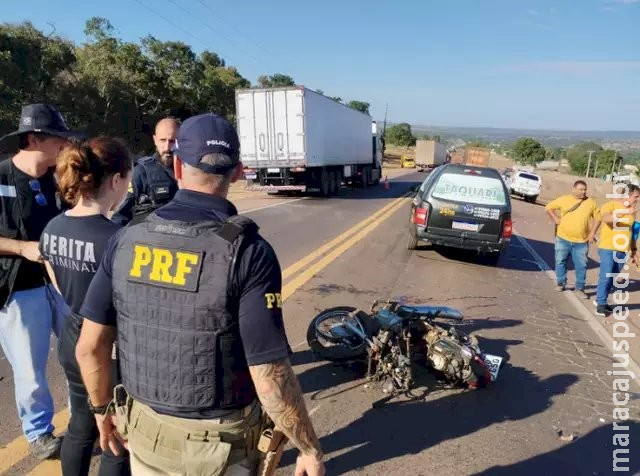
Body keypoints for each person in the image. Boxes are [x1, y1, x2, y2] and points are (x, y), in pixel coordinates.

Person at [75, 113, 325, 476]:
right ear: (237, 171)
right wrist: (309, 448)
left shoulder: (126, 238)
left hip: (145, 437)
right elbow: (269, 373)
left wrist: (101, 413)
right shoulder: (249, 252)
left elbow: (90, 347)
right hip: (218, 453)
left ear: (177, 165)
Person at [39, 137, 133, 475]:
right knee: (117, 436)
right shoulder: (118, 238)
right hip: (108, 346)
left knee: (81, 423)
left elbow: (57, 284)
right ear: (116, 179)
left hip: (72, 335)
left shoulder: (52, 228)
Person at [0, 103, 83, 458]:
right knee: (30, 368)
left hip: (61, 283)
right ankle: (39, 433)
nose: (65, 145)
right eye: (58, 139)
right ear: (34, 139)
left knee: (79, 355)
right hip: (19, 289)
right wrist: (22, 248)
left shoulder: (57, 179)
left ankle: (85, 420)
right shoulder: (1, 177)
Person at [110, 118, 179, 226]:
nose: (167, 147)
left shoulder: (192, 172)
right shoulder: (141, 173)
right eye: (163, 140)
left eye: (172, 141)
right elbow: (119, 217)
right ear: (155, 140)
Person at [545, 180, 599, 298]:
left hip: (581, 241)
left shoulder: (591, 202)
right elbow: (548, 207)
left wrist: (592, 233)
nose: (583, 192)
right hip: (563, 238)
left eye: (585, 190)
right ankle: (561, 283)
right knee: (560, 261)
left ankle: (579, 288)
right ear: (573, 189)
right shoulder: (564, 199)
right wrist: (555, 219)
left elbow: (597, 218)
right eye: (581, 189)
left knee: (581, 265)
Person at [593, 183, 640, 316]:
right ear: (627, 195)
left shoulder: (632, 212)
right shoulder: (611, 205)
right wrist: (624, 212)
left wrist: (634, 250)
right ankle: (601, 304)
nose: (638, 200)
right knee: (606, 275)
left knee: (612, 277)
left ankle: (601, 300)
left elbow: (631, 231)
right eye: (636, 197)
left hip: (623, 250)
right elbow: (606, 219)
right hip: (608, 247)